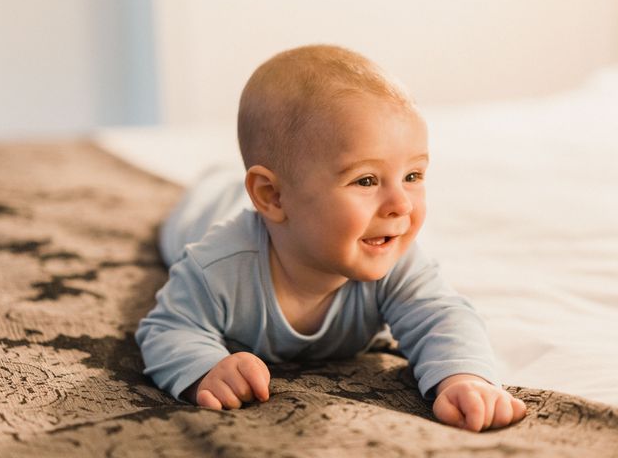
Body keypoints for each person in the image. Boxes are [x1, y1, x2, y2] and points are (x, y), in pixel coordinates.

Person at [135, 44, 527, 432]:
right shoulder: (217, 266)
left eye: (413, 176)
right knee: (198, 208)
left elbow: (442, 317)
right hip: (210, 211)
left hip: (277, 210)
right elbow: (168, 328)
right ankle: (215, 179)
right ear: (272, 195)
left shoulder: (394, 261)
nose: (400, 205)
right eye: (367, 180)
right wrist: (206, 368)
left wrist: (464, 378)